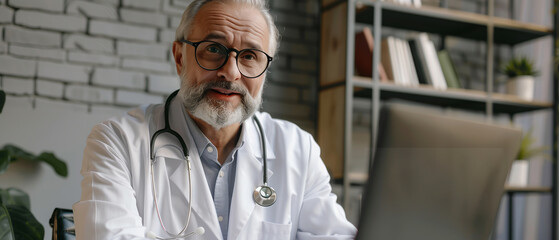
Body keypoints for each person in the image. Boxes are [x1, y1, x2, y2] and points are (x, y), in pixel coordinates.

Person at [72, 0, 357, 239]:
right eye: (213, 49)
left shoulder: (298, 149)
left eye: (249, 56)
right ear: (179, 56)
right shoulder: (117, 142)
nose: (231, 72)